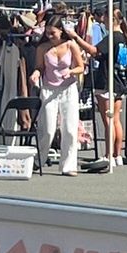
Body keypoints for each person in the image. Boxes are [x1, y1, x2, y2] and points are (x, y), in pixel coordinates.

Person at [30, 15, 85, 176]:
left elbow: (81, 66)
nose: (50, 36)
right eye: (47, 33)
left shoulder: (70, 45)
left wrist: (71, 71)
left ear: (60, 31)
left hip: (68, 89)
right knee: (47, 128)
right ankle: (38, 160)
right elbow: (39, 67)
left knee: (69, 128)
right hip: (49, 89)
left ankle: (68, 165)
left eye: (52, 33)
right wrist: (35, 74)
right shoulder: (43, 48)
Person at [91, 8, 127, 164]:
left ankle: (109, 154)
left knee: (108, 120)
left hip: (107, 80)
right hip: (120, 79)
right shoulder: (124, 38)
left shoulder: (113, 38)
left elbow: (95, 50)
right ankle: (117, 155)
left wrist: (76, 38)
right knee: (116, 120)